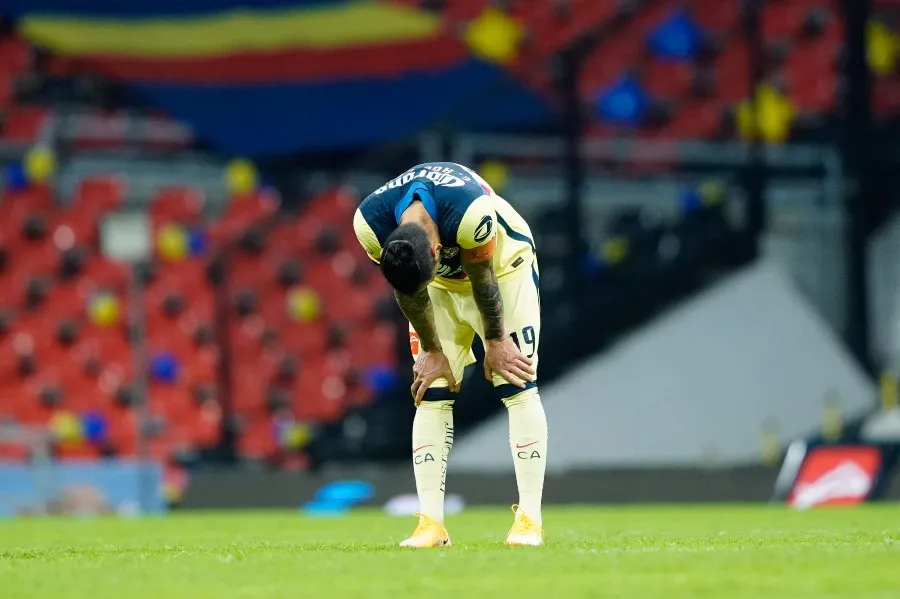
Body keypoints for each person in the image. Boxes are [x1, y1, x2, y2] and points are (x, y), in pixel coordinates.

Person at [353, 162, 547, 547]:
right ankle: (431, 525)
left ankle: (529, 520)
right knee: (431, 389)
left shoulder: (468, 211)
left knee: (516, 379)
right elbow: (408, 289)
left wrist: (496, 340)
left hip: (503, 269)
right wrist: (432, 349)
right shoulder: (369, 225)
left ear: (437, 249)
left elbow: (483, 277)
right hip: (439, 285)